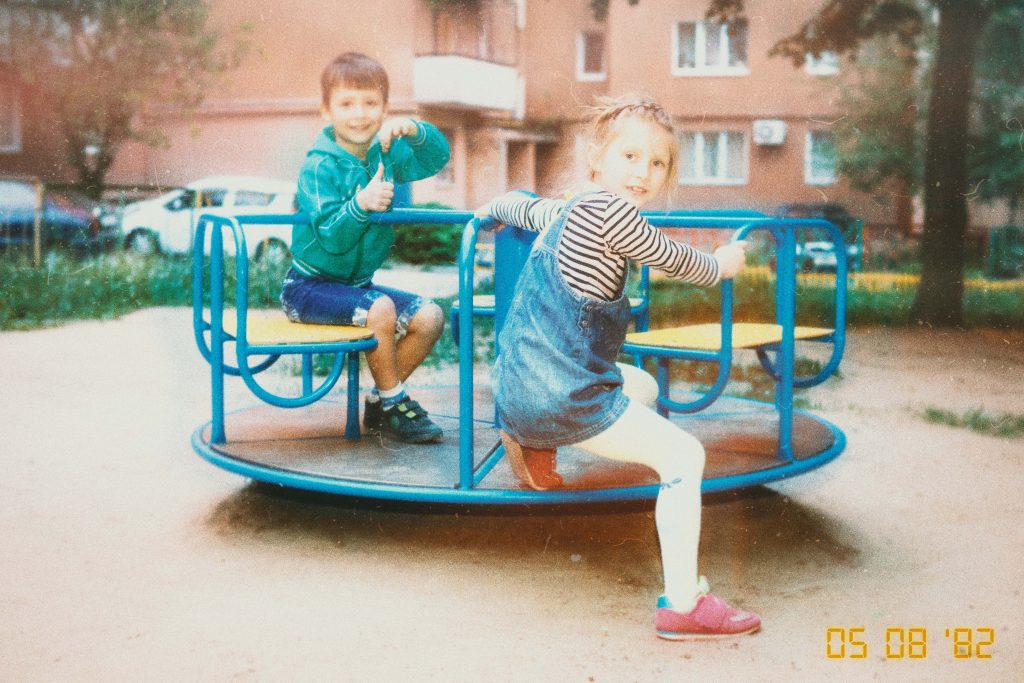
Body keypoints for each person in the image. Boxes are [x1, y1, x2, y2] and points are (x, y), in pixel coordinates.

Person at [476, 94, 760, 640]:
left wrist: (496, 205)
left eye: (658, 163)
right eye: (630, 156)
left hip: (517, 387)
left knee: (641, 385)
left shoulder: (569, 209)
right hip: (564, 397)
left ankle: (533, 442)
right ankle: (684, 605)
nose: (643, 172)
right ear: (597, 158)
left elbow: (523, 209)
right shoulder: (613, 213)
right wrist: (721, 264)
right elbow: (675, 258)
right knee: (685, 455)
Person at [282, 52, 450, 444]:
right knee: (380, 308)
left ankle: (380, 400)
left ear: (385, 109)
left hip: (356, 286)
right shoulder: (318, 167)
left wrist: (415, 130)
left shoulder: (385, 153)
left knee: (430, 316)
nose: (359, 114)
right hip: (307, 288)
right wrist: (362, 203)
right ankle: (396, 403)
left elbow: (436, 158)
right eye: (346, 104)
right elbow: (331, 235)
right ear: (326, 112)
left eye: (370, 103)